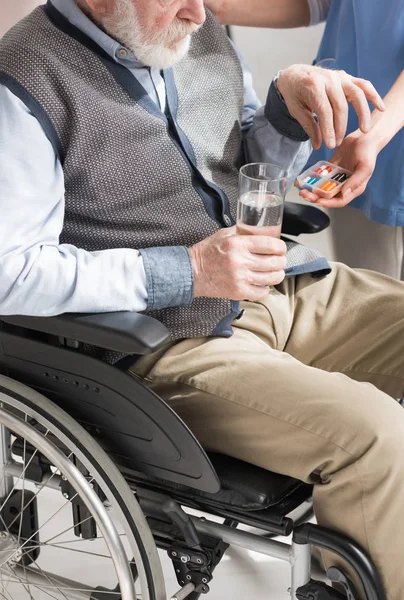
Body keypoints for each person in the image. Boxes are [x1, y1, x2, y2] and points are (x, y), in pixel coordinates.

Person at [0, 1, 403, 598]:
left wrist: (285, 118)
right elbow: (11, 272)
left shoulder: (197, 32)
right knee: (375, 436)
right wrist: (186, 271)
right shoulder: (25, 79)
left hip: (276, 284)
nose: (198, 9)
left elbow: (239, 169)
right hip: (169, 340)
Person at [206, 0, 404, 278]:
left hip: (384, 134)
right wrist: (209, 6)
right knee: (364, 292)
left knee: (386, 305)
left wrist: (373, 134)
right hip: (347, 132)